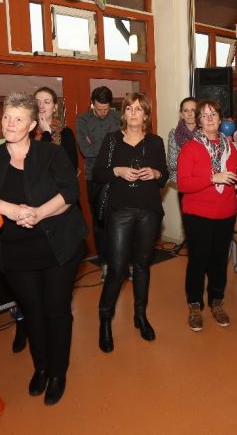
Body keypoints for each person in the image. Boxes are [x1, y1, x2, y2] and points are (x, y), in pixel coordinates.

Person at [0, 92, 87, 406]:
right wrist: (10, 209)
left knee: (57, 310)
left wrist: (38, 213)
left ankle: (58, 372)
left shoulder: (50, 153)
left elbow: (70, 192)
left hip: (58, 245)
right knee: (32, 311)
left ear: (32, 125)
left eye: (18, 119)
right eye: (6, 117)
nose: (9, 123)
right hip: (15, 251)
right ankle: (41, 366)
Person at [95, 93, 168, 353]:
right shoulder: (112, 140)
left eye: (139, 109)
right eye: (130, 109)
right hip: (120, 211)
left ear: (146, 115)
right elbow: (98, 173)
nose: (134, 113)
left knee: (142, 266)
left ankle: (140, 315)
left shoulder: (155, 142)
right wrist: (118, 171)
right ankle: (105, 320)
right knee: (117, 269)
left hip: (149, 210)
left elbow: (164, 175)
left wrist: (155, 173)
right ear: (123, 113)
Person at [177, 99, 237, 331]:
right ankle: (195, 305)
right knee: (198, 261)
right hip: (198, 214)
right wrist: (213, 177)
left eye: (213, 114)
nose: (210, 118)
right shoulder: (190, 148)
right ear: (199, 121)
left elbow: (236, 177)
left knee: (219, 262)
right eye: (204, 115)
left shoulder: (231, 148)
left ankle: (216, 302)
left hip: (226, 212)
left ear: (220, 119)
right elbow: (183, 184)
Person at [76, 86, 121, 270]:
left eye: (106, 109)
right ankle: (104, 263)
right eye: (99, 109)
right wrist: (111, 146)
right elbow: (86, 151)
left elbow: (124, 146)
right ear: (92, 104)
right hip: (94, 176)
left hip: (118, 175)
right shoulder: (83, 120)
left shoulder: (118, 117)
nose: (102, 113)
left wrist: (98, 146)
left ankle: (121, 261)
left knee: (120, 219)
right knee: (99, 221)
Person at [34, 87, 78, 170]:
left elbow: (72, 166)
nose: (41, 106)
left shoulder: (65, 132)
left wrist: (46, 133)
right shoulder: (26, 130)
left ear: (55, 107)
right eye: (37, 102)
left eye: (46, 102)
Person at [167, 97, 197, 184]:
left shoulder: (205, 132)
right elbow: (172, 163)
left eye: (193, 110)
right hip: (182, 179)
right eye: (186, 110)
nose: (190, 114)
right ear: (181, 114)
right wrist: (196, 162)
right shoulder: (173, 133)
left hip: (203, 179)